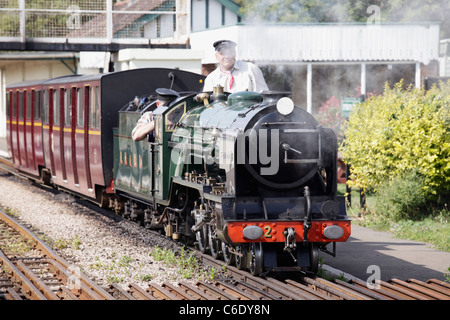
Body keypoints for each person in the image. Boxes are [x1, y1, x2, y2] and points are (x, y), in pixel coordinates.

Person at [203, 40, 269, 93]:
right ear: (216, 56)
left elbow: (264, 96)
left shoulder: (251, 69)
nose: (226, 56)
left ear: (235, 54)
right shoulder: (211, 78)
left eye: (229, 53)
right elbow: (208, 104)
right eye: (222, 53)